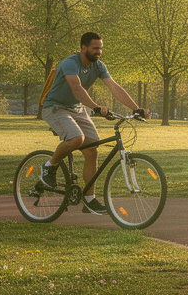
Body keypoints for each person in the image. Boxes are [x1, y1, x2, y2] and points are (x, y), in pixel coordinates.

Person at [39, 32, 148, 215]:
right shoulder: (70, 63)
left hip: (76, 109)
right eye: (95, 48)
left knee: (92, 150)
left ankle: (89, 200)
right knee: (77, 138)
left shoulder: (99, 67)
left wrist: (135, 108)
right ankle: (49, 167)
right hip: (55, 108)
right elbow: (76, 88)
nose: (99, 52)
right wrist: (96, 107)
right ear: (84, 48)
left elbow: (114, 87)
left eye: (101, 48)